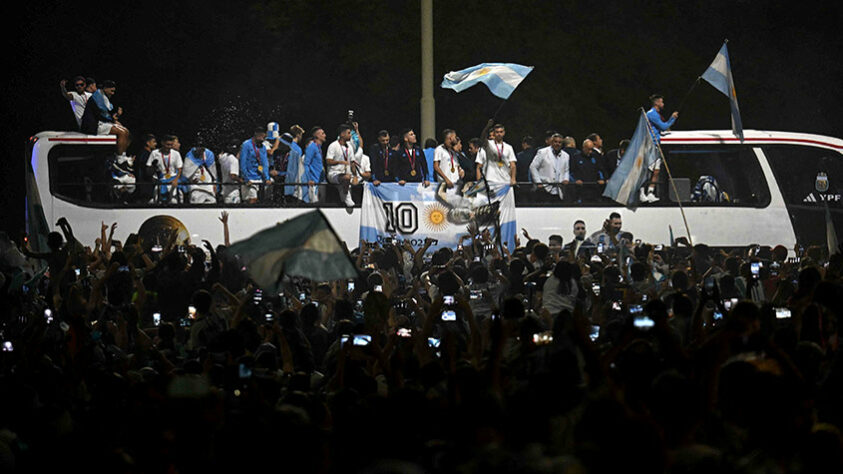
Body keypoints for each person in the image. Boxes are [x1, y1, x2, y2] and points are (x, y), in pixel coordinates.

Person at [80, 80, 131, 159]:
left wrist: (115, 117)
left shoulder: (104, 96)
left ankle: (123, 157)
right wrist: (114, 121)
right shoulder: (98, 96)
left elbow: (106, 115)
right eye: (112, 91)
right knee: (122, 133)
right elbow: (104, 115)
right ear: (106, 88)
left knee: (127, 132)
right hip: (93, 126)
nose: (113, 93)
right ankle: (120, 160)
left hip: (101, 123)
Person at [643, 94, 679, 202]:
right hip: (651, 145)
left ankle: (650, 192)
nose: (663, 104)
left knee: (656, 171)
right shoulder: (651, 114)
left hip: (657, 145)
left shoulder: (657, 114)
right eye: (662, 102)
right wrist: (672, 118)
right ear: (656, 102)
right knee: (648, 171)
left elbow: (661, 128)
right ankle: (641, 193)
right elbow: (663, 126)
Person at [529, 133, 569, 200]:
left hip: (559, 190)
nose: (557, 144)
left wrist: (566, 179)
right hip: (544, 189)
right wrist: (538, 182)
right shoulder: (542, 152)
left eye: (559, 142)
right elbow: (533, 167)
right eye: (555, 142)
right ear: (551, 142)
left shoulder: (566, 156)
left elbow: (566, 170)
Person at [326, 123, 356, 207]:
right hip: (334, 174)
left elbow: (352, 162)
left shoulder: (349, 147)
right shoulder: (333, 145)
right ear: (342, 134)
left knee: (351, 178)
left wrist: (356, 176)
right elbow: (328, 161)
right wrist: (340, 162)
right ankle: (346, 196)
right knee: (346, 177)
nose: (350, 135)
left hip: (346, 173)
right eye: (349, 133)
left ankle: (344, 196)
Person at [239, 127, 272, 204]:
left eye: (264, 136)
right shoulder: (246, 145)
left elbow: (265, 163)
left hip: (259, 178)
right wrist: (246, 178)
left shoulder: (263, 147)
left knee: (261, 201)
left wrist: (267, 178)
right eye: (262, 135)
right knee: (252, 201)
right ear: (256, 134)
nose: (263, 137)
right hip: (250, 179)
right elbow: (242, 163)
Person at [146, 134, 183, 203]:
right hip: (160, 181)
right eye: (167, 144)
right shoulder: (154, 153)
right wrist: (153, 168)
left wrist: (176, 180)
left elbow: (179, 169)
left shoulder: (176, 154)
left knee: (174, 201)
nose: (169, 147)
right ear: (162, 143)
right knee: (157, 201)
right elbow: (148, 169)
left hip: (172, 181)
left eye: (171, 145)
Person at [283, 126, 306, 202]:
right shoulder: (298, 149)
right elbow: (298, 168)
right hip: (292, 182)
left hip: (283, 178)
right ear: (298, 135)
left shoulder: (285, 144)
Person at [304, 126, 326, 203]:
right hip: (314, 182)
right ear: (317, 135)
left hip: (321, 181)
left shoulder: (319, 148)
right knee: (314, 204)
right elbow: (306, 164)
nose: (325, 135)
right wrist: (309, 179)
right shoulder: (312, 147)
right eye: (322, 133)